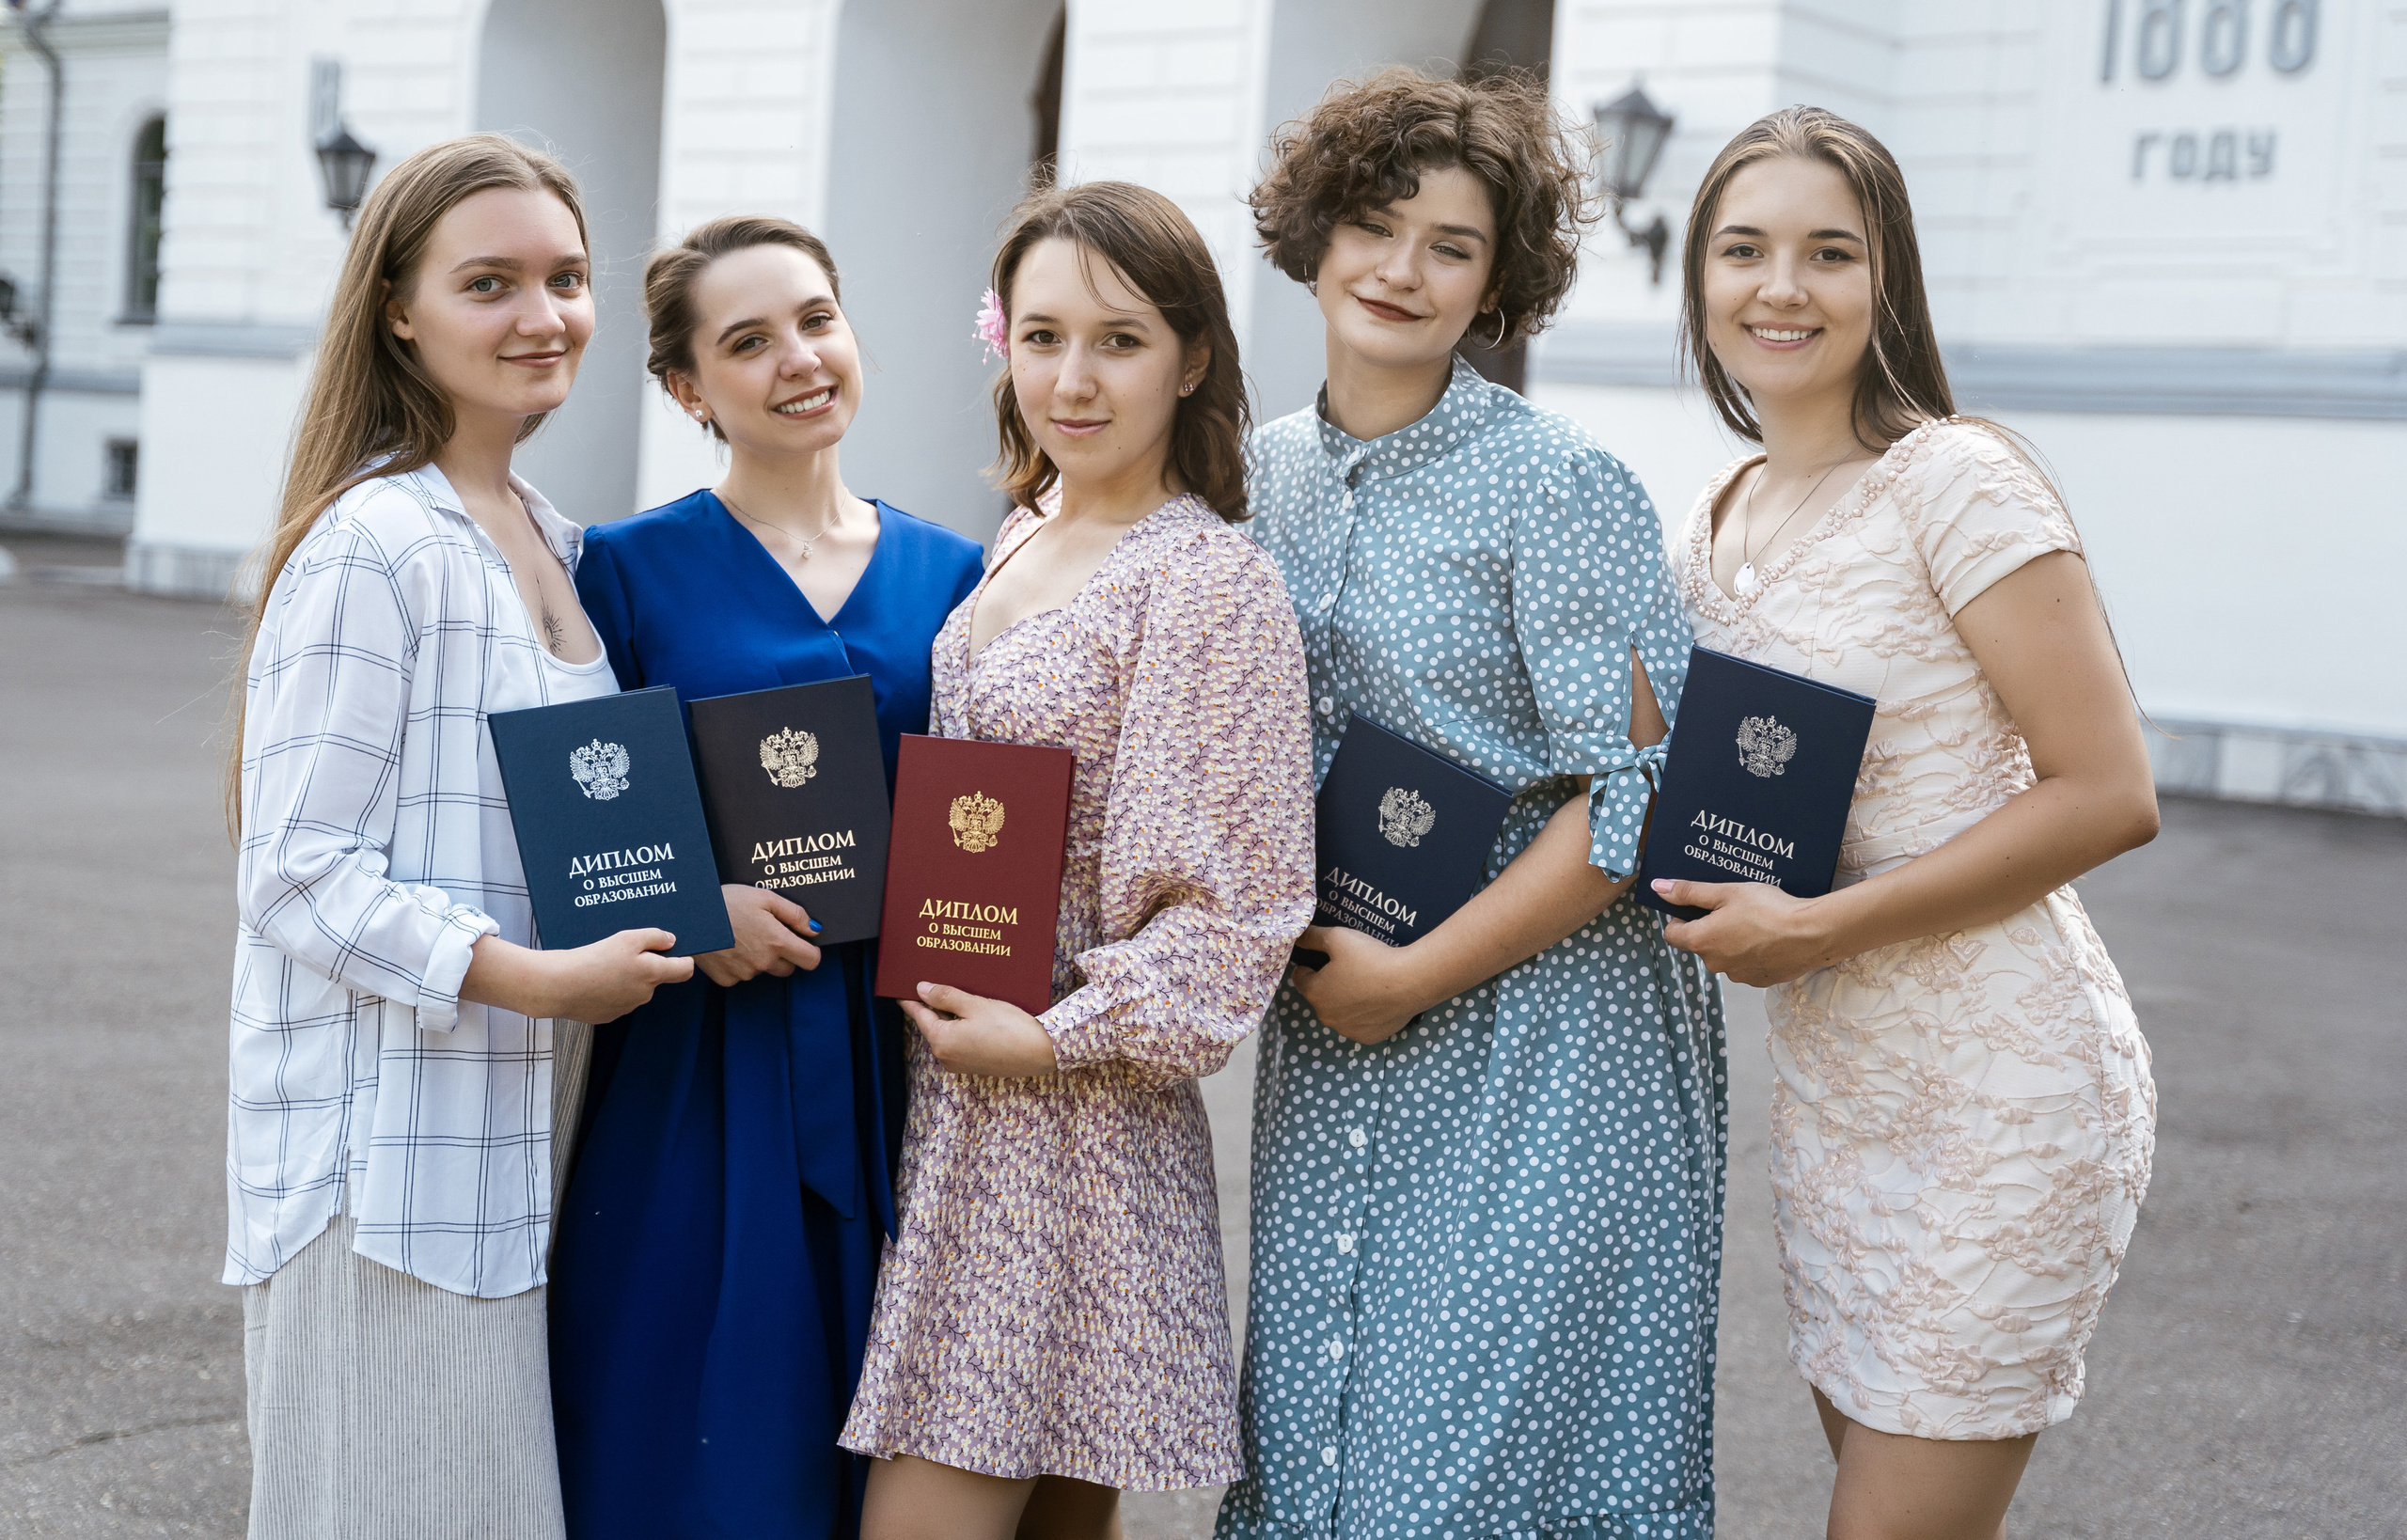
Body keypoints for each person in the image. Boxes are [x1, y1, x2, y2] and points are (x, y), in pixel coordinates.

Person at [1217, 68, 1724, 1540]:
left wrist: (1414, 976)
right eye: (1376, 226)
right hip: (1340, 1025)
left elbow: (1643, 798)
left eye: (1452, 244)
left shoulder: (1558, 486)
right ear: (1314, 238)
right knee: (1324, 1427)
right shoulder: (1260, 479)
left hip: (1543, 1043)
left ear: (1498, 280)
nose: (1403, 270)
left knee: (1469, 1465)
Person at [1654, 106, 2160, 1540]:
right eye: (1744, 250)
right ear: (1699, 281)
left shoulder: (1959, 480)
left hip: (2005, 1088)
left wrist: (1819, 925)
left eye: (1829, 252)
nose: (1781, 287)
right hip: (1838, 1105)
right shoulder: (1711, 519)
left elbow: (2109, 787)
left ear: (1888, 282)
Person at [837, 180, 1316, 1540]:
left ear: (1194, 357)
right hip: (959, 1106)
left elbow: (1237, 915)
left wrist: (1047, 1039)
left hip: (1069, 1127)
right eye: (1042, 336)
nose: (1074, 377)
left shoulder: (1207, 580)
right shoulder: (1023, 534)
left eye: (1118, 339)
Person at [227, 134, 690, 1540]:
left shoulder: (548, 534)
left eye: (566, 278)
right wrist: (539, 980)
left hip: (521, 1148)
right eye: (490, 282)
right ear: (399, 311)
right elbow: (295, 872)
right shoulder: (377, 542)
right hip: (387, 1174)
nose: (542, 316)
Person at [545, 216, 984, 1537]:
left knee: (894, 1430)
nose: (799, 357)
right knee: (691, 1420)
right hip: (701, 1062)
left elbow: (984, 814)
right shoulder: (622, 567)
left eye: (816, 318)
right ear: (688, 388)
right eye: (748, 341)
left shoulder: (955, 573)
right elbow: (577, 812)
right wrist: (691, 907)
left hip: (896, 1056)